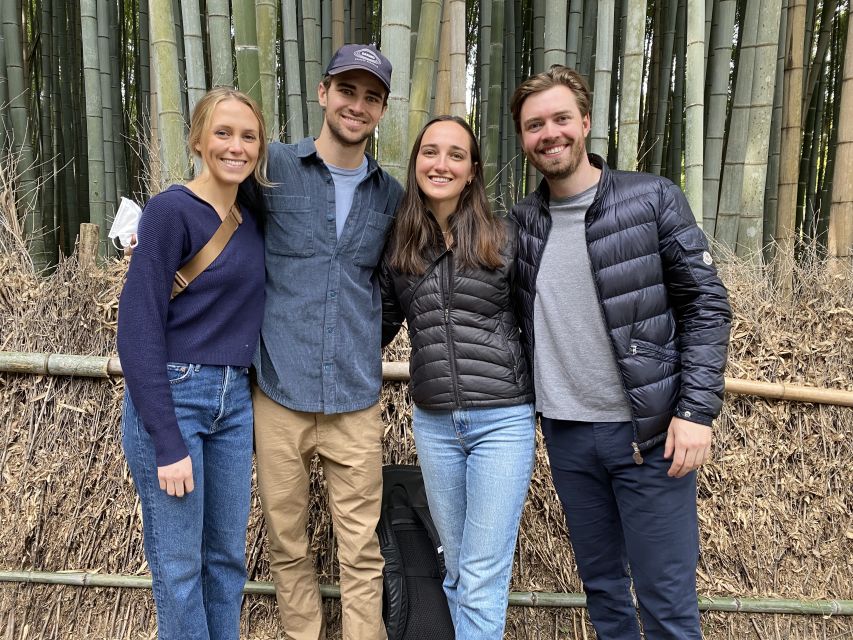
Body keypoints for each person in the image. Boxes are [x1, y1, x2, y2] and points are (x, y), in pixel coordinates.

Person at [509, 65, 732, 640]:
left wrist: (695, 411)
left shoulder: (652, 197)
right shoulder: (521, 223)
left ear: (585, 122)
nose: (549, 133)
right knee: (604, 592)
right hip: (567, 434)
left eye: (561, 118)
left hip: (648, 435)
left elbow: (707, 305)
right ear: (523, 138)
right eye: (535, 125)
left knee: (666, 601)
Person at [251, 44, 403, 640]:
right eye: (347, 90)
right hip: (279, 394)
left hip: (355, 398)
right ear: (323, 93)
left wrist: (363, 338)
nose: (356, 105)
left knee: (361, 552)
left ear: (382, 110)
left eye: (371, 97)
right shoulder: (272, 167)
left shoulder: (391, 196)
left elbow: (391, 286)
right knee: (287, 544)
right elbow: (218, 221)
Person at [117, 87, 269, 640]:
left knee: (226, 559)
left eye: (248, 136)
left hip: (235, 404)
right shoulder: (170, 211)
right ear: (198, 140)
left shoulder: (254, 218)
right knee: (179, 567)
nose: (236, 146)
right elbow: (136, 328)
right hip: (176, 397)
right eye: (223, 133)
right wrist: (165, 439)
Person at [380, 115, 535, 639]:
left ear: (472, 171)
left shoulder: (506, 237)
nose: (440, 163)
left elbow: (544, 325)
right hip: (435, 424)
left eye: (455, 154)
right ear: (416, 161)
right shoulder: (401, 248)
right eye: (430, 152)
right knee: (456, 569)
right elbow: (372, 326)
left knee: (481, 574)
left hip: (502, 421)